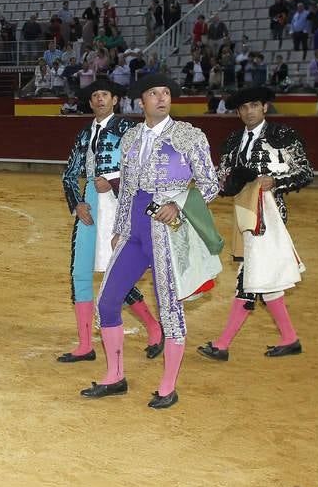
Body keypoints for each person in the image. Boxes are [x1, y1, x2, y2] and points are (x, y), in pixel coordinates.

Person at [80, 74, 221, 409]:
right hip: (135, 232)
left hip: (167, 232)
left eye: (166, 93)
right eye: (154, 93)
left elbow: (210, 185)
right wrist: (119, 228)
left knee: (169, 307)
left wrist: (179, 205)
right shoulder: (129, 138)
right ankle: (115, 376)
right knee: (108, 301)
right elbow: (127, 189)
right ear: (140, 102)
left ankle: (168, 385)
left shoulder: (188, 136)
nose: (161, 98)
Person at [198, 87, 313, 362]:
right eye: (243, 107)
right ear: (238, 112)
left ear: (264, 107)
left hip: (271, 214)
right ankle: (290, 338)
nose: (249, 111)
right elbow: (223, 178)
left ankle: (222, 344)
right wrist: (223, 185)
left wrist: (275, 181)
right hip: (243, 213)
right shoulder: (233, 141)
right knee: (264, 278)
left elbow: (305, 171)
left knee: (248, 276)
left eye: (254, 105)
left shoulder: (282, 136)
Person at [58, 77, 163, 364]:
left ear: (115, 100)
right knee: (80, 272)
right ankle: (84, 345)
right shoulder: (83, 134)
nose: (100, 99)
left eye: (105, 94)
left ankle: (155, 328)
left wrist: (114, 180)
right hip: (90, 204)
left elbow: (146, 168)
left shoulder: (129, 129)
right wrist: (76, 203)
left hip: (121, 204)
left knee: (117, 273)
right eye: (95, 96)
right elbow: (69, 174)